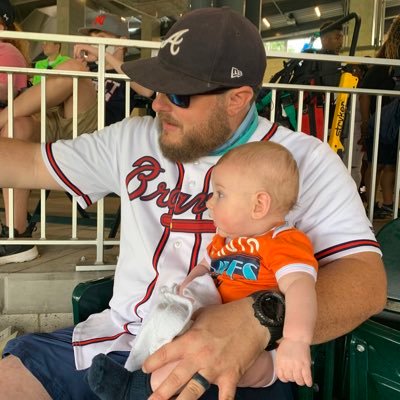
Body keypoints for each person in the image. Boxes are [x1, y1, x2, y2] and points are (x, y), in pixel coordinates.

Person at [0, 7, 386, 400]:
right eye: (157, 86)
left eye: (178, 94)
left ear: (237, 99)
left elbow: (367, 283)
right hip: (114, 341)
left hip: (236, 365)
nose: (157, 104)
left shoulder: (303, 161)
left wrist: (260, 319)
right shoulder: (131, 139)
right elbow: (29, 163)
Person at [85, 141, 318, 400]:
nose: (208, 202)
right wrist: (188, 284)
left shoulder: (284, 241)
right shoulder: (225, 241)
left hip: (261, 352)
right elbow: (205, 266)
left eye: (220, 194)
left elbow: (300, 287)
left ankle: (133, 389)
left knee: (180, 367)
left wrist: (296, 341)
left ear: (259, 205)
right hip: (214, 335)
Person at [0, 12, 152, 265]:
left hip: (94, 134)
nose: (92, 43)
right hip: (58, 120)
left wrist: (105, 56)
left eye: (101, 38)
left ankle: (2, 117)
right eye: (91, 38)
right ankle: (17, 235)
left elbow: (148, 90)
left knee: (71, 70)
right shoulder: (84, 66)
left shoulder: (131, 68)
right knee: (18, 126)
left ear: (121, 42)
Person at [360, 15, 400, 219]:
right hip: (381, 121)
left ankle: (386, 203)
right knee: (378, 163)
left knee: (386, 163)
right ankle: (375, 203)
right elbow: (364, 92)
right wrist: (366, 121)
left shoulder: (386, 59)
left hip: (388, 121)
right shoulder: (384, 62)